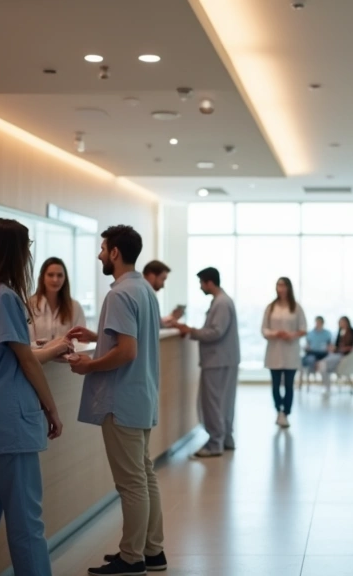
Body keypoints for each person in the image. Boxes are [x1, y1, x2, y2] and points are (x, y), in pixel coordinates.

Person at [0, 218, 72, 576]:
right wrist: (51, 408)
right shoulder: (5, 296)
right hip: (10, 425)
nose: (29, 256)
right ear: (14, 252)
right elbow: (25, 360)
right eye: (27, 248)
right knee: (26, 524)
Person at [67, 225, 166, 575]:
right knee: (144, 475)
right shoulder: (144, 290)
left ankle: (132, 557)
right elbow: (129, 340)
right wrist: (99, 336)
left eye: (102, 248)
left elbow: (126, 351)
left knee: (131, 482)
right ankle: (152, 550)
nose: (99, 255)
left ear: (114, 253)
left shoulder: (119, 294)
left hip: (121, 400)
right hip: (141, 397)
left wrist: (88, 365)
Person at [179, 267, 240, 458]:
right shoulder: (223, 301)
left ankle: (215, 443)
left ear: (209, 282)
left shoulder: (221, 303)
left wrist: (191, 331)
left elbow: (216, 332)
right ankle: (226, 439)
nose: (200, 287)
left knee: (213, 403)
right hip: (224, 359)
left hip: (217, 360)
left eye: (201, 283)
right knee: (224, 402)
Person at [262, 277, 307, 428]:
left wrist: (291, 335)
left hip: (290, 351)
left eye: (283, 285)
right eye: (278, 285)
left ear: (288, 288)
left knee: (288, 385)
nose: (280, 288)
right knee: (275, 385)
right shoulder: (271, 307)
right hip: (274, 351)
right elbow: (264, 329)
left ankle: (285, 412)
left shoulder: (296, 308)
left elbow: (303, 329)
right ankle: (278, 409)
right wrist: (275, 334)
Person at [28, 257, 87, 344]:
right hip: (38, 357)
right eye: (50, 275)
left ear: (65, 278)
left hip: (67, 357)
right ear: (42, 277)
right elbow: (26, 340)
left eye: (59, 275)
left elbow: (81, 341)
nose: (55, 279)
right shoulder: (30, 305)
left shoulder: (75, 307)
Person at [319, 316, 353, 391]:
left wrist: (342, 349)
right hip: (337, 354)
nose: (340, 324)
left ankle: (327, 387)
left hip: (346, 356)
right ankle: (326, 386)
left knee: (323, 364)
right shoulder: (340, 332)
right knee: (322, 365)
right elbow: (336, 347)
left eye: (342, 322)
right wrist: (332, 348)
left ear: (347, 322)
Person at [143, 260, 185, 327]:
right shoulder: (143, 296)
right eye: (162, 279)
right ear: (151, 276)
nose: (163, 285)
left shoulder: (146, 295)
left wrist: (171, 318)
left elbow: (154, 324)